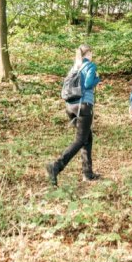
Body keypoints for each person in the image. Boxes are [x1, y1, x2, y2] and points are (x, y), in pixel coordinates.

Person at [46, 44, 100, 186]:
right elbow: (88, 84)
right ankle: (56, 166)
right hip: (84, 106)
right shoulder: (90, 66)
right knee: (80, 140)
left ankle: (87, 173)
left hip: (70, 107)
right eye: (91, 52)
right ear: (88, 53)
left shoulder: (75, 67)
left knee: (87, 138)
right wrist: (97, 79)